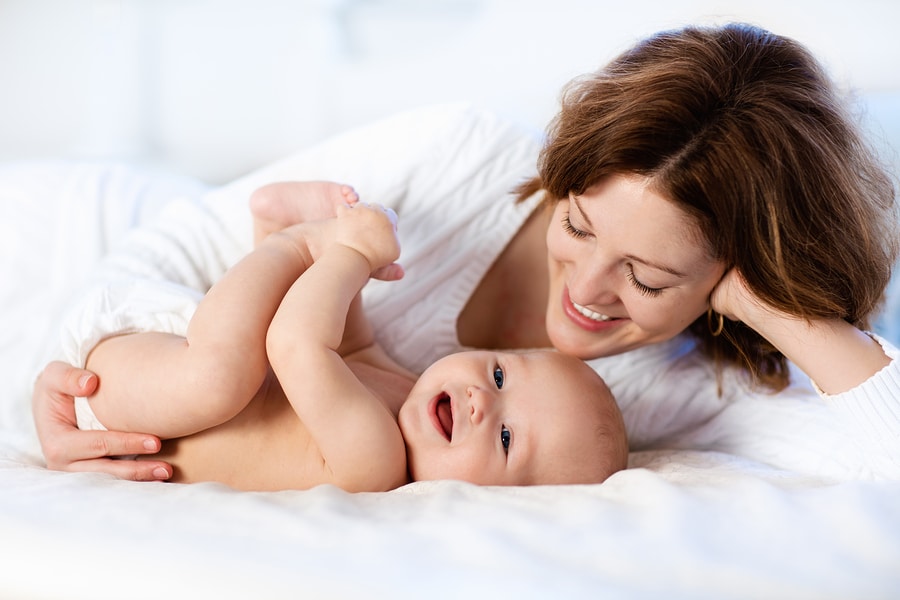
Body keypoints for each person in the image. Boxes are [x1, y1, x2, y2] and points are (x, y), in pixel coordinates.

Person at [33, 22, 900, 483]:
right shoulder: (462, 154)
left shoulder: (685, 386)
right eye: (579, 226)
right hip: (88, 226)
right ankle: (292, 230)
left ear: (725, 278)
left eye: (648, 276)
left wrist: (764, 302)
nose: (589, 292)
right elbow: (155, 260)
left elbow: (884, 460)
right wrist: (76, 378)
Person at [68, 181, 627, 492]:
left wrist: (350, 254)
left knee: (223, 377)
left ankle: (289, 240)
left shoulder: (376, 463)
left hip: (123, 414)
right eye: (501, 375)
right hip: (150, 363)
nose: (482, 401)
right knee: (221, 374)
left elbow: (297, 345)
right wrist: (348, 275)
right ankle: (285, 234)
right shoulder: (408, 388)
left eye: (507, 439)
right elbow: (350, 342)